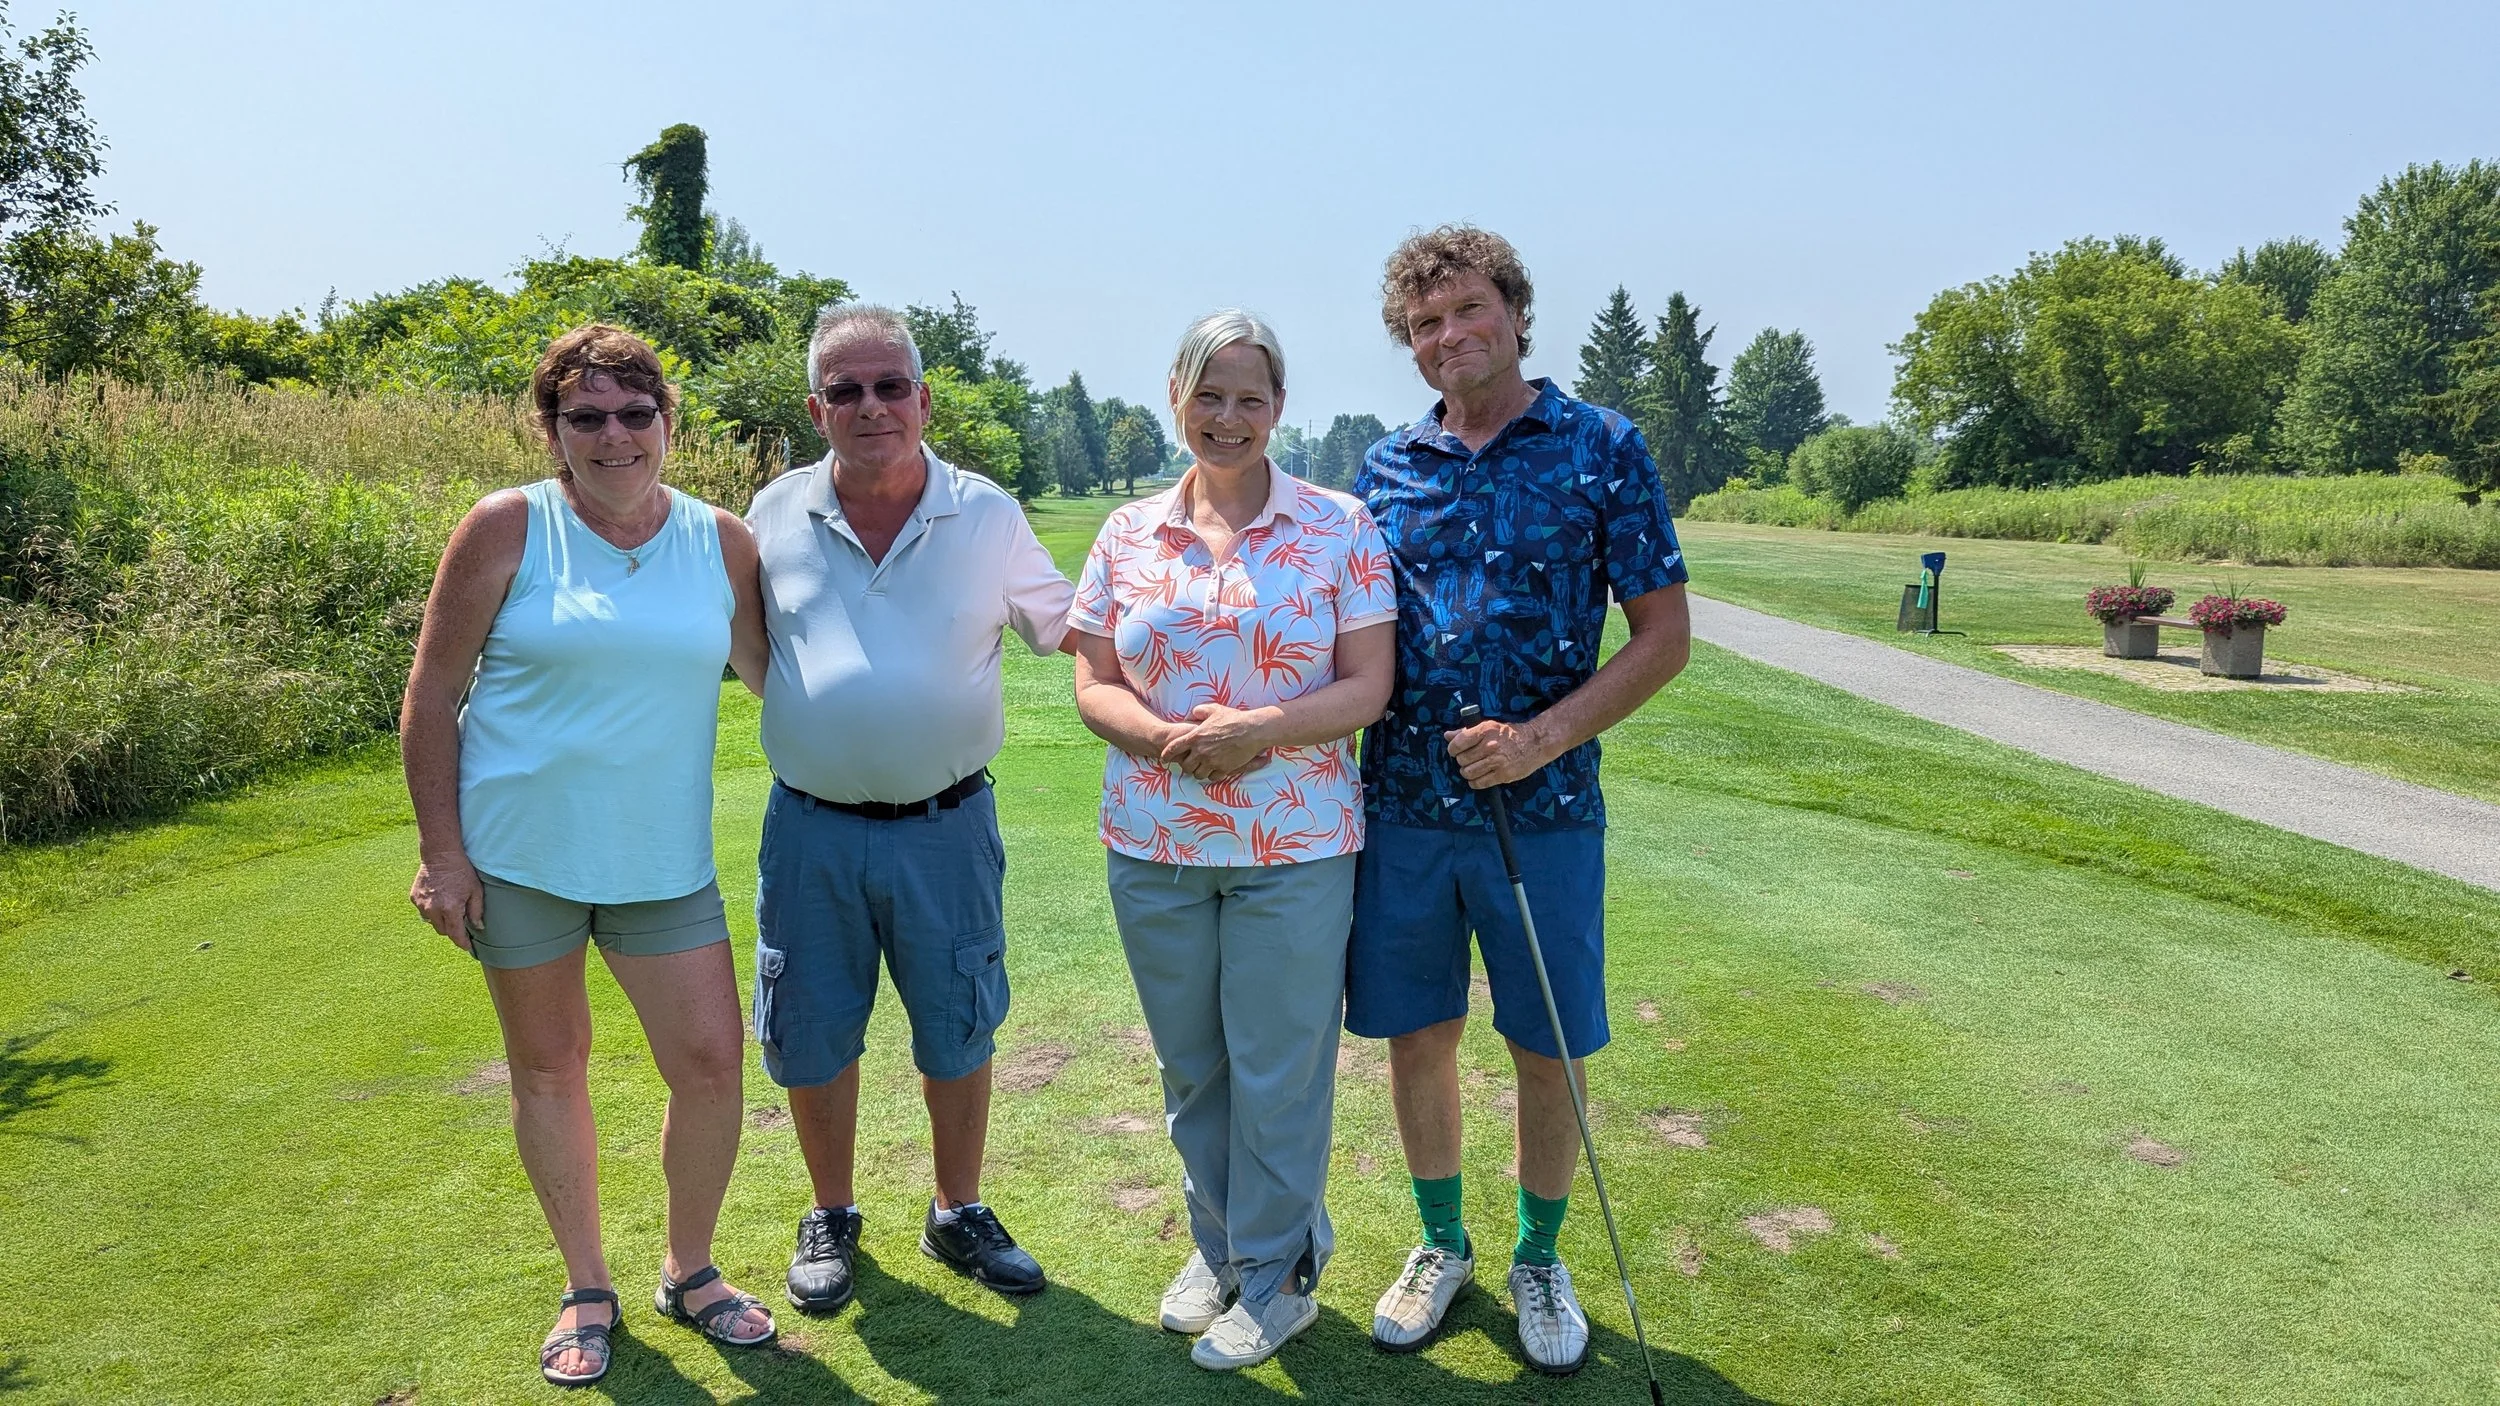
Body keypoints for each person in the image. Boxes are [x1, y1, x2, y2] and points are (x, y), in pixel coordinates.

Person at [402, 324, 777, 1388]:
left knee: (710, 1065)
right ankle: (585, 1284)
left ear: (669, 422)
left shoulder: (724, 540)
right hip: (519, 856)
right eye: (587, 418)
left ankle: (690, 1268)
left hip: (664, 862)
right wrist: (443, 852)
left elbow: (773, 676)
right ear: (552, 428)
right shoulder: (506, 527)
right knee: (550, 1067)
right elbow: (431, 696)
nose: (615, 437)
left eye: (634, 414)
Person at [1348, 227, 1693, 1374]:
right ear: (1411, 345)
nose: (1450, 335)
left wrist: (1541, 738)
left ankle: (1539, 1257)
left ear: (1513, 308)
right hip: (1400, 807)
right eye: (1425, 324)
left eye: (1467, 310)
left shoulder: (1601, 445)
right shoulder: (1387, 466)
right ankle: (1441, 1244)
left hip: (1542, 814)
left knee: (1545, 1043)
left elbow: (1662, 637)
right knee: (1417, 1036)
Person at [1069, 311, 1398, 1370]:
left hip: (1292, 843)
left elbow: (1368, 684)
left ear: (1277, 410)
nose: (1227, 417)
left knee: (1278, 1068)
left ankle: (1277, 1274)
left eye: (1249, 398)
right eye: (1209, 395)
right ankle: (1219, 1247)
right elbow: (1090, 681)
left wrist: (1259, 727)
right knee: (1194, 1066)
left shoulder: (1339, 524)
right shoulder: (1126, 531)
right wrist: (1168, 740)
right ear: (1175, 398)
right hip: (1155, 840)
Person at [747, 304, 1076, 1317]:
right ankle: (832, 1213)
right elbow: (751, 647)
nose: (871, 405)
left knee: (959, 1026)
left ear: (923, 398)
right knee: (811, 1027)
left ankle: (957, 1207)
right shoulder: (770, 512)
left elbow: (1073, 626)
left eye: (891, 385)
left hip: (947, 824)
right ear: (817, 407)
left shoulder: (986, 513)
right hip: (810, 825)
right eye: (845, 390)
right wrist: (825, 719)